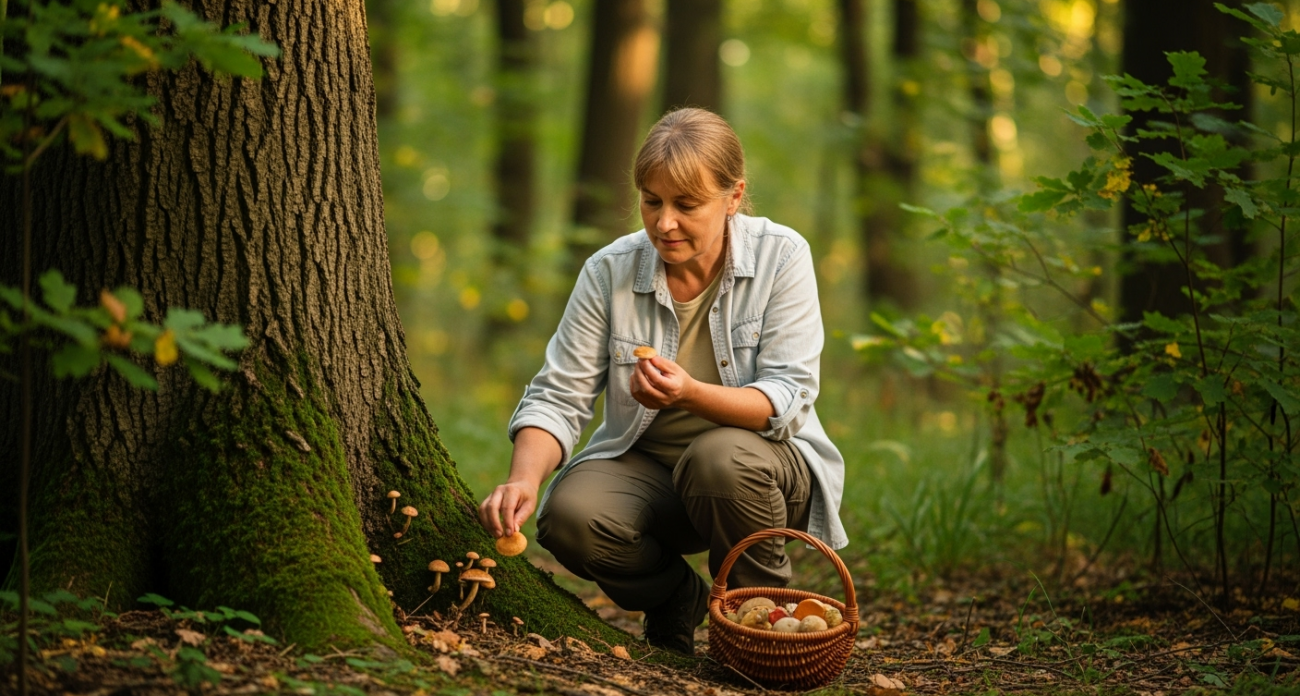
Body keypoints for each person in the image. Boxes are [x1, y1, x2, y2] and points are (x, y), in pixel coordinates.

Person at [478, 107, 846, 654]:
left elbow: (786, 400)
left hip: (761, 474)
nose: (663, 223)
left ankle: (753, 624)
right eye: (652, 201)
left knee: (718, 457)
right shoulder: (610, 271)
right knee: (571, 515)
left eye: (686, 205)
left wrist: (690, 394)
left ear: (734, 197)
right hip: (652, 474)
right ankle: (677, 599)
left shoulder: (781, 256)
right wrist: (525, 480)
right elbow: (560, 393)